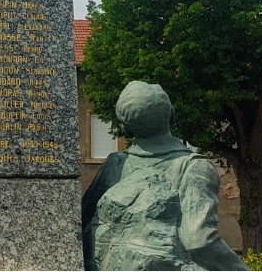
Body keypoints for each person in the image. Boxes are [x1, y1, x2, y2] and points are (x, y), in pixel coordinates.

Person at [82, 80, 249, 271]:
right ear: (172, 116)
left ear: (127, 129)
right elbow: (200, 241)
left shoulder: (115, 165)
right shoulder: (194, 167)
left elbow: (81, 222)